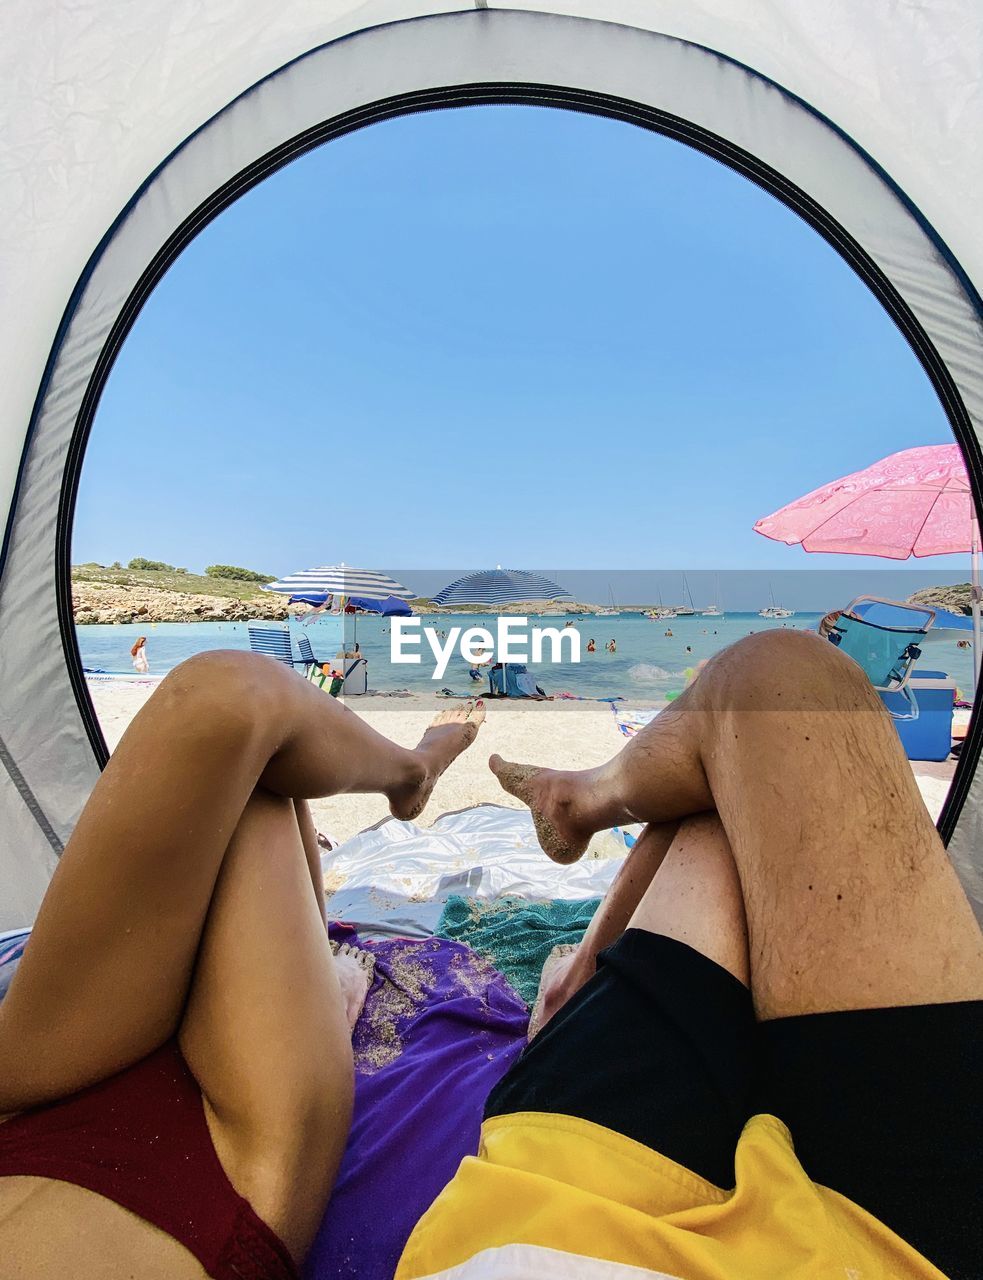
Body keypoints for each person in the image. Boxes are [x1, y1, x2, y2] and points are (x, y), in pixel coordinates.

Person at [398, 630, 982, 1280]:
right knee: (756, 722)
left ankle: (577, 930)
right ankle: (577, 817)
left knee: (770, 693)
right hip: (902, 1251)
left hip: (580, 1223)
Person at [0, 652, 486, 1279]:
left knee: (226, 708)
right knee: (248, 746)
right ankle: (413, 772)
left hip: (24, 1090)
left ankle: (411, 771)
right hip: (209, 1178)